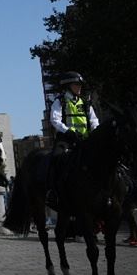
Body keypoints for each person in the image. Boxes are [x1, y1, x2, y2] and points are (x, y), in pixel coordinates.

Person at [46, 71, 100, 207]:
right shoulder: (60, 101)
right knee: (56, 157)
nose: (79, 87)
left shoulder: (85, 102)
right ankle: (53, 192)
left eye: (80, 84)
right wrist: (68, 131)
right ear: (68, 86)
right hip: (67, 139)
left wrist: (95, 132)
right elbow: (55, 120)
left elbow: (94, 120)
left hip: (86, 139)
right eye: (76, 84)